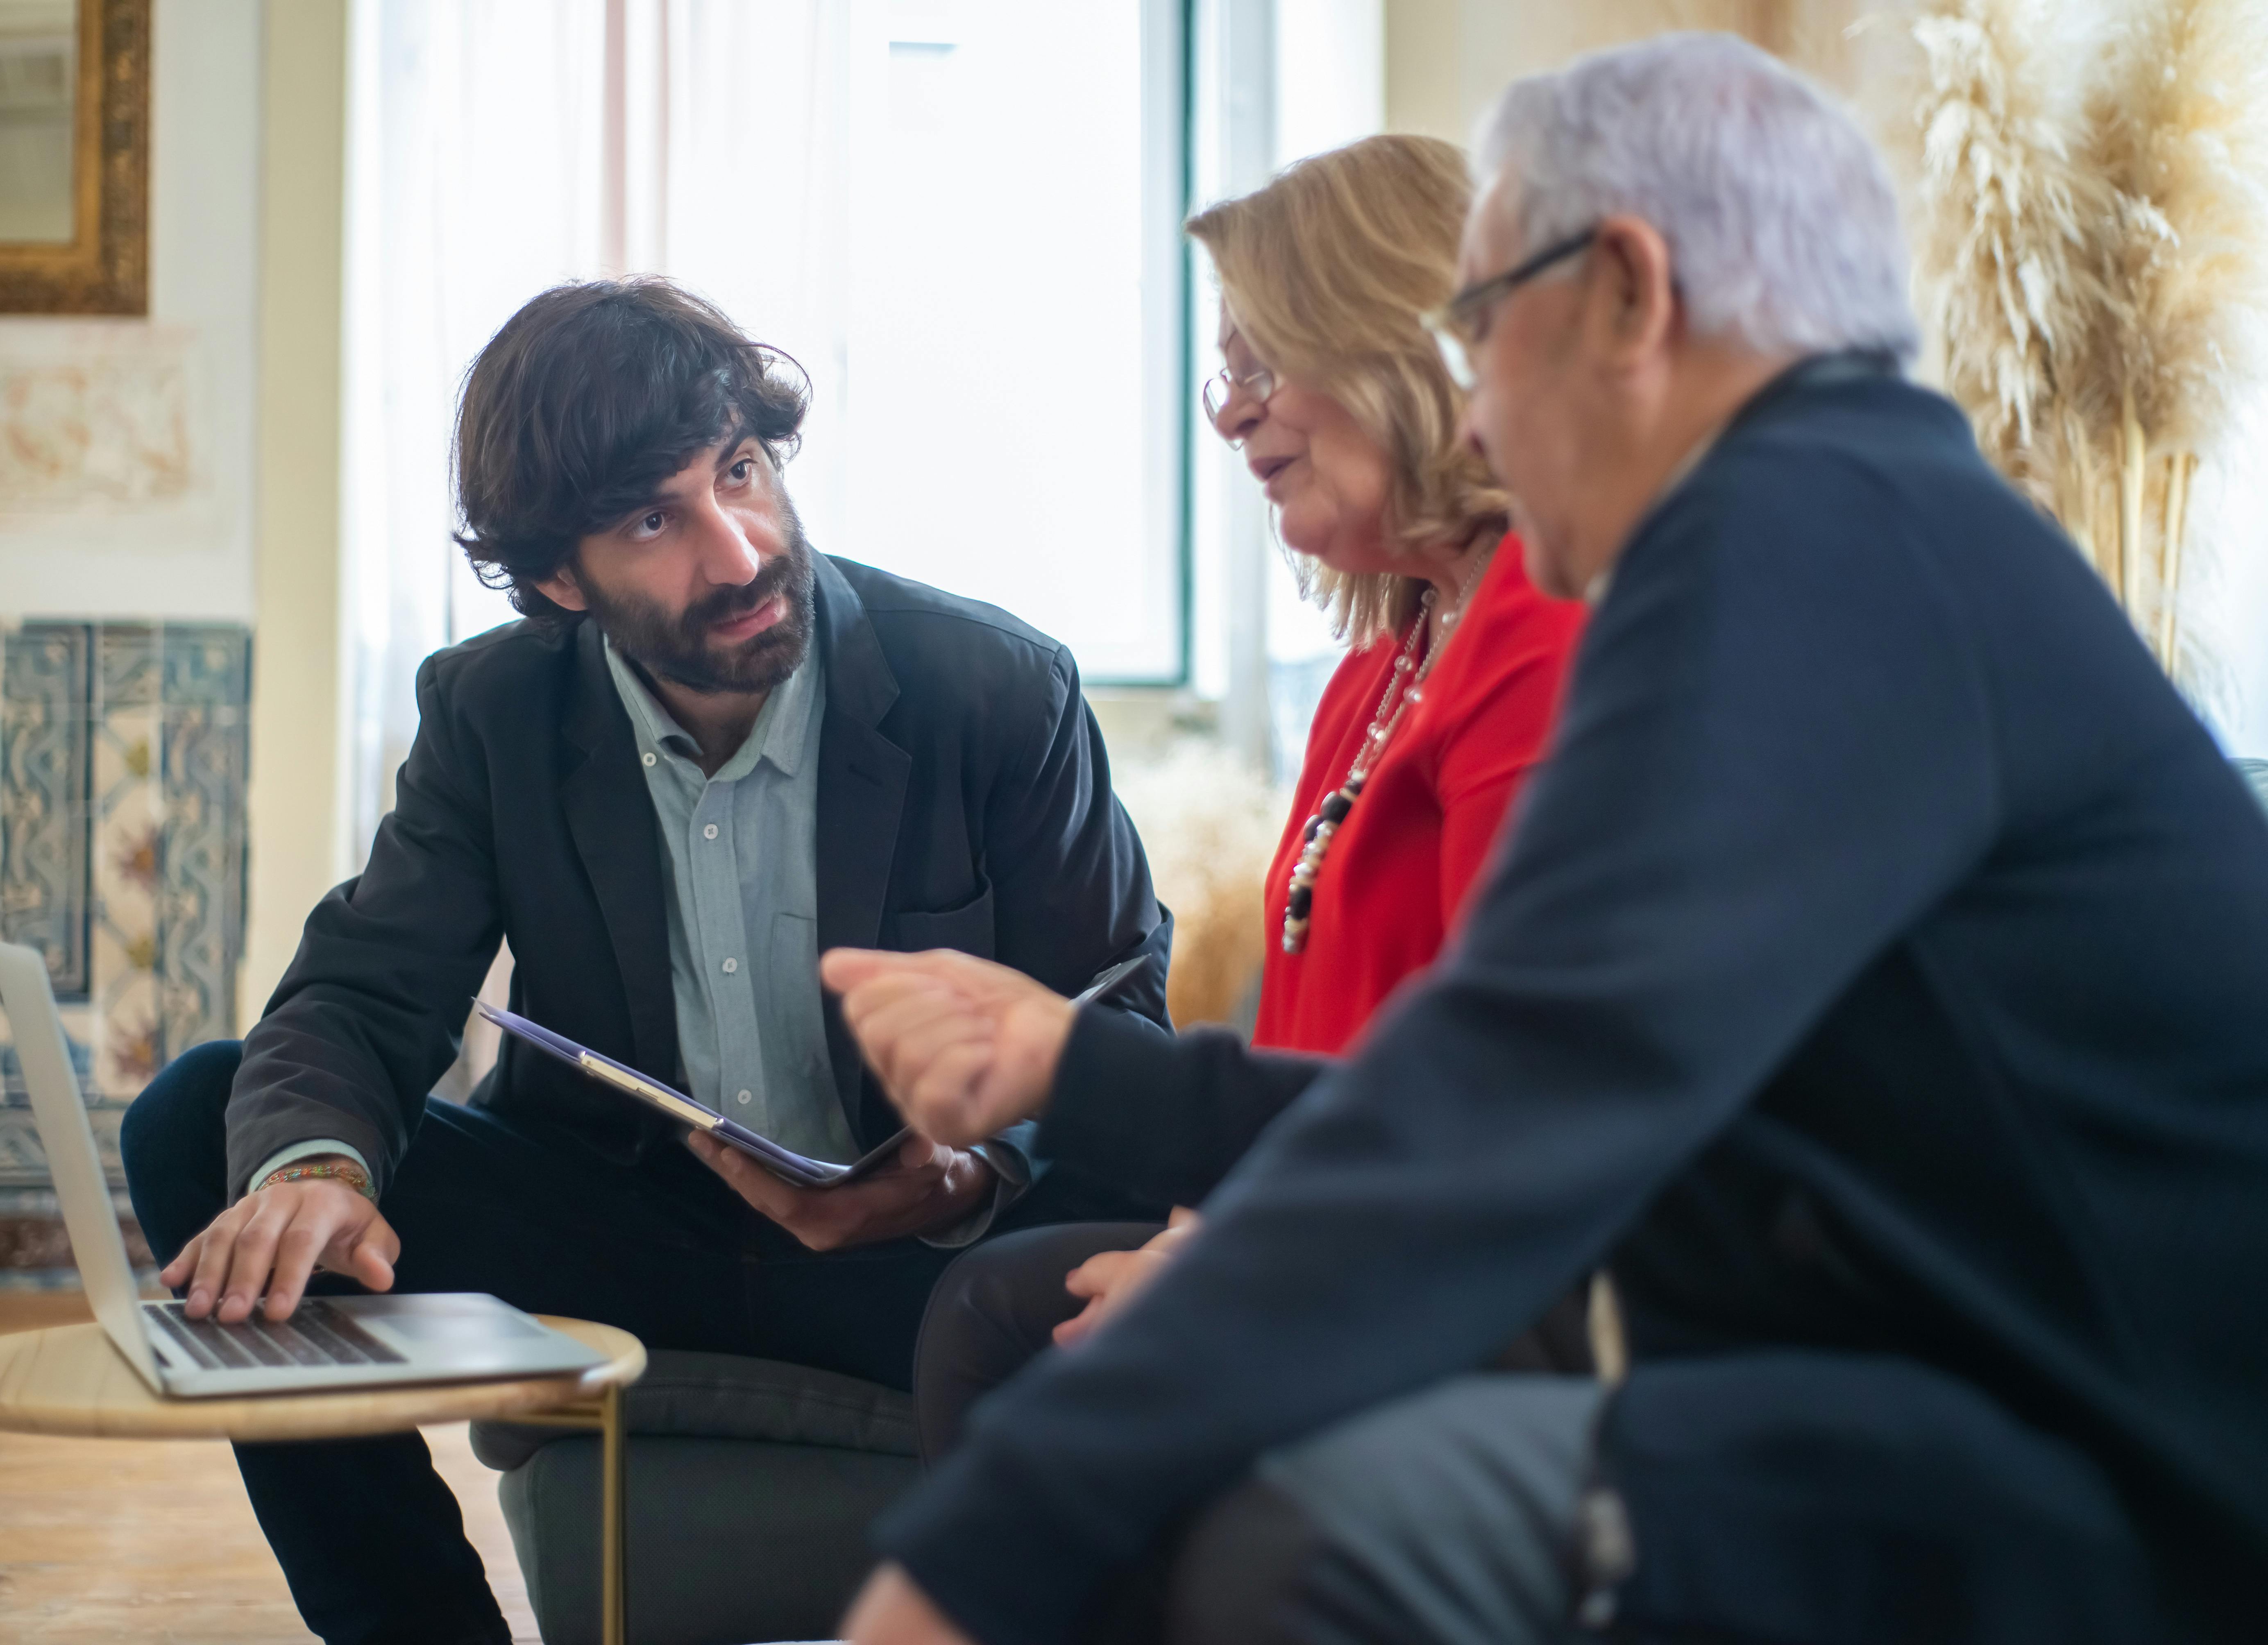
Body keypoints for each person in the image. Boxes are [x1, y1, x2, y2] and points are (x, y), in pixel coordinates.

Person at [830, 33, 2268, 1645]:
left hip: (2115, 1486)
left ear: (1626, 293)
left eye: (1479, 327)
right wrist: (1085, 1074)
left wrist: (979, 1549)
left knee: (1314, 1541)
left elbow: (1507, 1089)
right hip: (1983, 1409)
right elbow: (1508, 1071)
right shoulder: (1868, 519)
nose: (1479, 412)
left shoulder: (1794, 547)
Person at [118, 278, 1173, 1645]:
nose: (737, 552)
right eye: (653, 521)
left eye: (741, 472)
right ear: (559, 578)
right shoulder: (494, 709)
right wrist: (316, 1170)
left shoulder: (995, 687)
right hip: (628, 1226)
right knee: (207, 1123)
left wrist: (970, 1166)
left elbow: (1119, 1005)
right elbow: (365, 989)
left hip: (928, 1251)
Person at [907, 134, 1589, 1460]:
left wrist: (1234, 1264)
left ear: (1402, 345)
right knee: (1002, 1312)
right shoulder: (1373, 680)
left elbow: (1508, 1092)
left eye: (1263, 362)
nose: (1228, 414)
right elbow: (1306, 1051)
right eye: (1227, 372)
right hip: (1346, 1209)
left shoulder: (1545, 636)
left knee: (1000, 1319)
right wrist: (1209, 1228)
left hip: (1474, 1261)